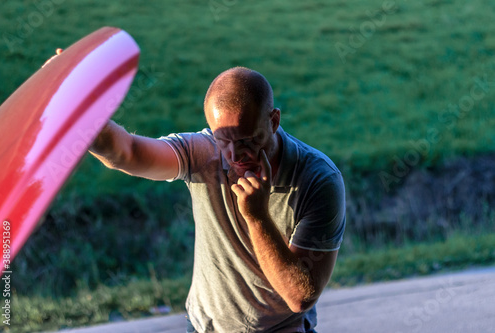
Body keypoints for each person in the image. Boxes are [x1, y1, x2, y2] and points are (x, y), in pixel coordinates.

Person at [89, 67, 346, 332]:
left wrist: (257, 218)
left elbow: (300, 296)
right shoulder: (204, 153)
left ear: (273, 121)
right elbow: (127, 153)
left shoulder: (318, 180)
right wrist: (80, 114)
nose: (235, 154)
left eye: (248, 140)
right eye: (224, 139)